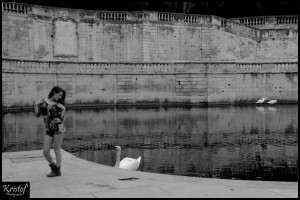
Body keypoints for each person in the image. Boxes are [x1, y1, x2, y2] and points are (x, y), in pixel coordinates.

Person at [34, 86, 67, 177]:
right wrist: (36, 105)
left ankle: (58, 170)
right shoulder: (43, 102)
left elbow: (60, 119)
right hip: (48, 129)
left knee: (57, 149)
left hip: (58, 128)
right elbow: (37, 114)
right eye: (59, 95)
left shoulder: (59, 105)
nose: (60, 97)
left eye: (61, 96)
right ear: (54, 92)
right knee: (45, 152)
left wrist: (63, 109)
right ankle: (54, 168)